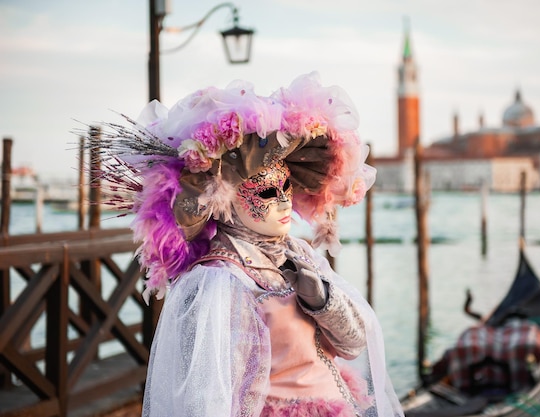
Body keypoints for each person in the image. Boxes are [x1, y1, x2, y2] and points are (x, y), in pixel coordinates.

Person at [90, 72, 403, 416]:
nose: (284, 202)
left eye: (286, 188)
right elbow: (211, 400)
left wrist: (323, 300)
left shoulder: (299, 255)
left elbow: (355, 343)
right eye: (266, 192)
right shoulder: (219, 281)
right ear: (226, 200)